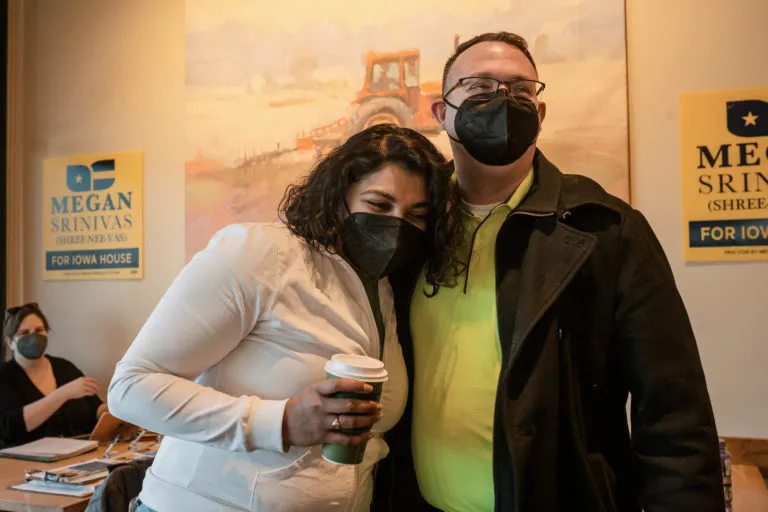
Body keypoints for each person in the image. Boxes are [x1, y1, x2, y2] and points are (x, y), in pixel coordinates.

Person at [373, 32, 725, 511]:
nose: (502, 103)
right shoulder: (411, 230)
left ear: (539, 114)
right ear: (441, 112)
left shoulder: (607, 231)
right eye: (478, 89)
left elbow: (674, 414)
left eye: (520, 92)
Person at [108, 124, 461, 512]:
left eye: (416, 215)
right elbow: (130, 388)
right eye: (378, 205)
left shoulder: (387, 289)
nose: (396, 226)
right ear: (338, 196)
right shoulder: (260, 254)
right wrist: (281, 421)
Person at [0, 302, 105, 447]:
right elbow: (9, 427)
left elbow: (95, 410)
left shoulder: (65, 367)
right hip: (27, 461)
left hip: (78, 454)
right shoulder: (5, 376)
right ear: (9, 342)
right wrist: (64, 393)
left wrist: (118, 411)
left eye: (39, 330)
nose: (34, 337)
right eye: (24, 333)